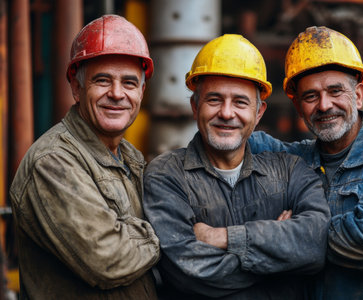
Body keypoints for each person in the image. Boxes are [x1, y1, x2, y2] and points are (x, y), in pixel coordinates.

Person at [249, 26, 363, 299]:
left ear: (358, 95)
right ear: (298, 107)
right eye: (310, 96)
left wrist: (292, 233)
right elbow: (236, 139)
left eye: (335, 91)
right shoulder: (295, 161)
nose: (324, 105)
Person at [143, 34, 331, 299]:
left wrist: (226, 238)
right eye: (214, 100)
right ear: (195, 107)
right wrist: (281, 262)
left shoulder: (291, 172)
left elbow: (316, 244)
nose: (227, 113)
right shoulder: (166, 175)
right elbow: (186, 269)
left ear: (259, 112)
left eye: (240, 102)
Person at [9, 15, 160, 299]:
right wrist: (173, 233)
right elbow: (107, 259)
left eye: (129, 83)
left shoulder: (131, 158)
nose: (117, 94)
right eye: (102, 81)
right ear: (77, 88)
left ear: (141, 92)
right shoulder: (53, 162)